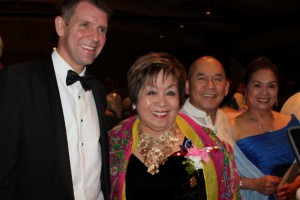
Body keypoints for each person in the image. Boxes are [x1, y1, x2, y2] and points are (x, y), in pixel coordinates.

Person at [0, 0, 112, 199]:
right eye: (85, 25)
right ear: (60, 26)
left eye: (102, 29)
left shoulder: (98, 91)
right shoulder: (19, 81)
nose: (95, 37)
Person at [109, 52, 241, 200]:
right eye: (152, 92)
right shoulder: (114, 144)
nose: (162, 102)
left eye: (170, 93)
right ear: (134, 99)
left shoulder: (208, 142)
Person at [229, 57, 300, 200]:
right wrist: (254, 184)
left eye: (271, 86)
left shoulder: (293, 123)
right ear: (245, 88)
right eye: (257, 85)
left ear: (278, 90)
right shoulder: (230, 128)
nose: (265, 92)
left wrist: (294, 185)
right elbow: (218, 176)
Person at [180, 55, 235, 147]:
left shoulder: (227, 121)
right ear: (187, 86)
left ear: (226, 88)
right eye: (201, 78)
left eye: (217, 79)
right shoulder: (175, 125)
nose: (210, 85)